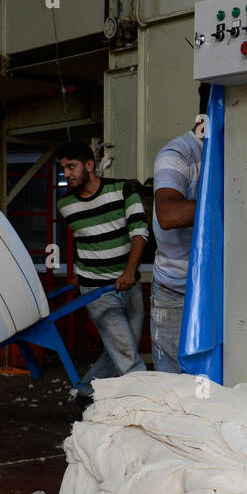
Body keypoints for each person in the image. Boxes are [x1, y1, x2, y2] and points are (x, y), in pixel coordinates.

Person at [56, 141, 150, 407]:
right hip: (97, 291)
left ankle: (85, 392)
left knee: (120, 349)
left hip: (128, 284)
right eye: (63, 168)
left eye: (71, 167)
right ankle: (147, 408)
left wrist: (130, 271)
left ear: (89, 165)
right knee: (128, 357)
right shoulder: (66, 206)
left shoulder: (122, 190)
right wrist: (77, 273)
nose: (67, 173)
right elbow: (82, 239)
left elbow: (139, 232)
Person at [149, 83, 210, 374]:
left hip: (213, 286)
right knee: (175, 383)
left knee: (208, 382)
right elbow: (168, 214)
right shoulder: (177, 154)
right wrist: (234, 200)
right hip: (176, 290)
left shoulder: (225, 151)